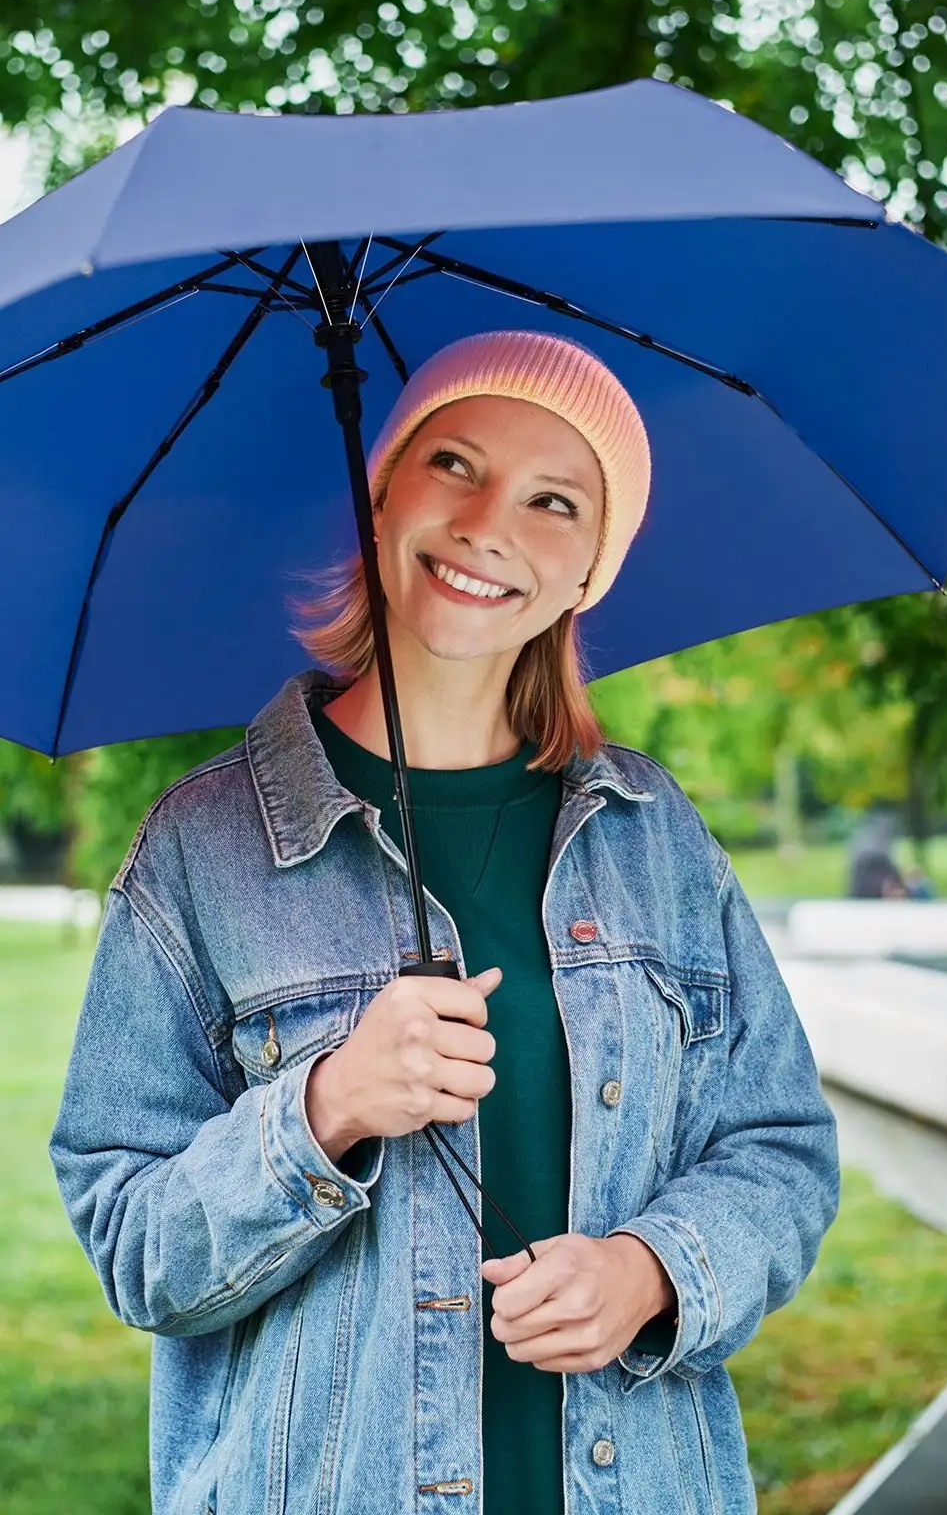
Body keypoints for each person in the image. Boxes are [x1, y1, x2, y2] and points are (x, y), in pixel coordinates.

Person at [49, 329, 840, 1515]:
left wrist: (651, 1271)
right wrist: (326, 1108)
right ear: (382, 494)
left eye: (555, 501)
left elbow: (781, 1147)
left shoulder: (653, 835)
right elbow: (131, 1240)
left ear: (591, 574)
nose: (488, 525)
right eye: (454, 464)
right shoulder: (201, 851)